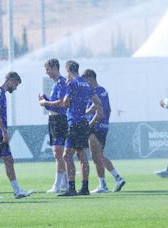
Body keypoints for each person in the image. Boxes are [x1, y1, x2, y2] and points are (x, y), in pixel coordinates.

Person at [0, 71, 32, 199]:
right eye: (16, 84)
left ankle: (17, 191)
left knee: (9, 160)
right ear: (10, 80)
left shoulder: (1, 93)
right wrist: (4, 130)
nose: (15, 87)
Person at [58, 61, 103, 197]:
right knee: (81, 155)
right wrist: (94, 116)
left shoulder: (72, 83)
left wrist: (67, 94)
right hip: (83, 122)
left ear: (68, 70)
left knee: (67, 155)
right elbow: (98, 103)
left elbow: (65, 102)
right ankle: (85, 187)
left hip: (74, 121)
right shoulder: (86, 84)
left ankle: (71, 187)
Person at [82, 69, 126, 193]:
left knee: (97, 156)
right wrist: (105, 123)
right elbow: (109, 109)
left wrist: (90, 122)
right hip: (102, 126)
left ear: (90, 78)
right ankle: (108, 182)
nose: (85, 84)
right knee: (98, 155)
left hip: (94, 126)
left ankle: (111, 181)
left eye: (85, 81)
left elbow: (97, 107)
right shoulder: (103, 91)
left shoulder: (95, 92)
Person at [38, 59, 69, 193]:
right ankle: (65, 184)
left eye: (48, 70)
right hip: (53, 119)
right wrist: (45, 100)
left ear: (55, 68)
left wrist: (46, 102)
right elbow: (55, 102)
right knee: (58, 154)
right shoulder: (55, 83)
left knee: (58, 153)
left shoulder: (62, 82)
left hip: (59, 119)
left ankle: (57, 185)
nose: (47, 73)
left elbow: (62, 103)